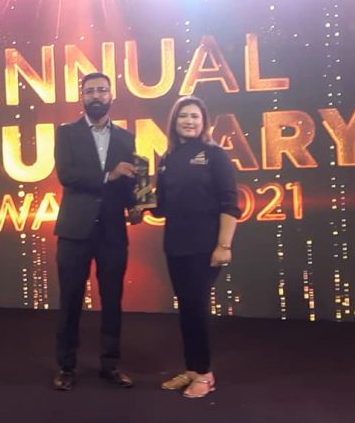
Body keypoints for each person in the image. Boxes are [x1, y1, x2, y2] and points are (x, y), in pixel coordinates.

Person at [51, 72, 138, 391]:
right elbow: (67, 175)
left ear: (111, 95)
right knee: (71, 300)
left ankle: (110, 365)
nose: (96, 95)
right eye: (90, 91)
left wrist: (138, 203)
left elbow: (127, 183)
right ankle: (66, 367)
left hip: (113, 231)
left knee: (113, 300)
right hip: (75, 230)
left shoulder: (126, 138)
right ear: (82, 97)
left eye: (102, 90)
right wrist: (107, 175)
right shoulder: (66, 133)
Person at [151, 96, 239, 399]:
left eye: (194, 117)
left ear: (204, 122)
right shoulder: (168, 158)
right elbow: (162, 206)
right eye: (183, 116)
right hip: (175, 245)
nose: (189, 121)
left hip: (206, 246)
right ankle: (192, 369)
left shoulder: (215, 155)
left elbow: (230, 204)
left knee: (197, 308)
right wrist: (139, 202)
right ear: (174, 122)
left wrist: (224, 245)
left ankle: (204, 374)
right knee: (187, 308)